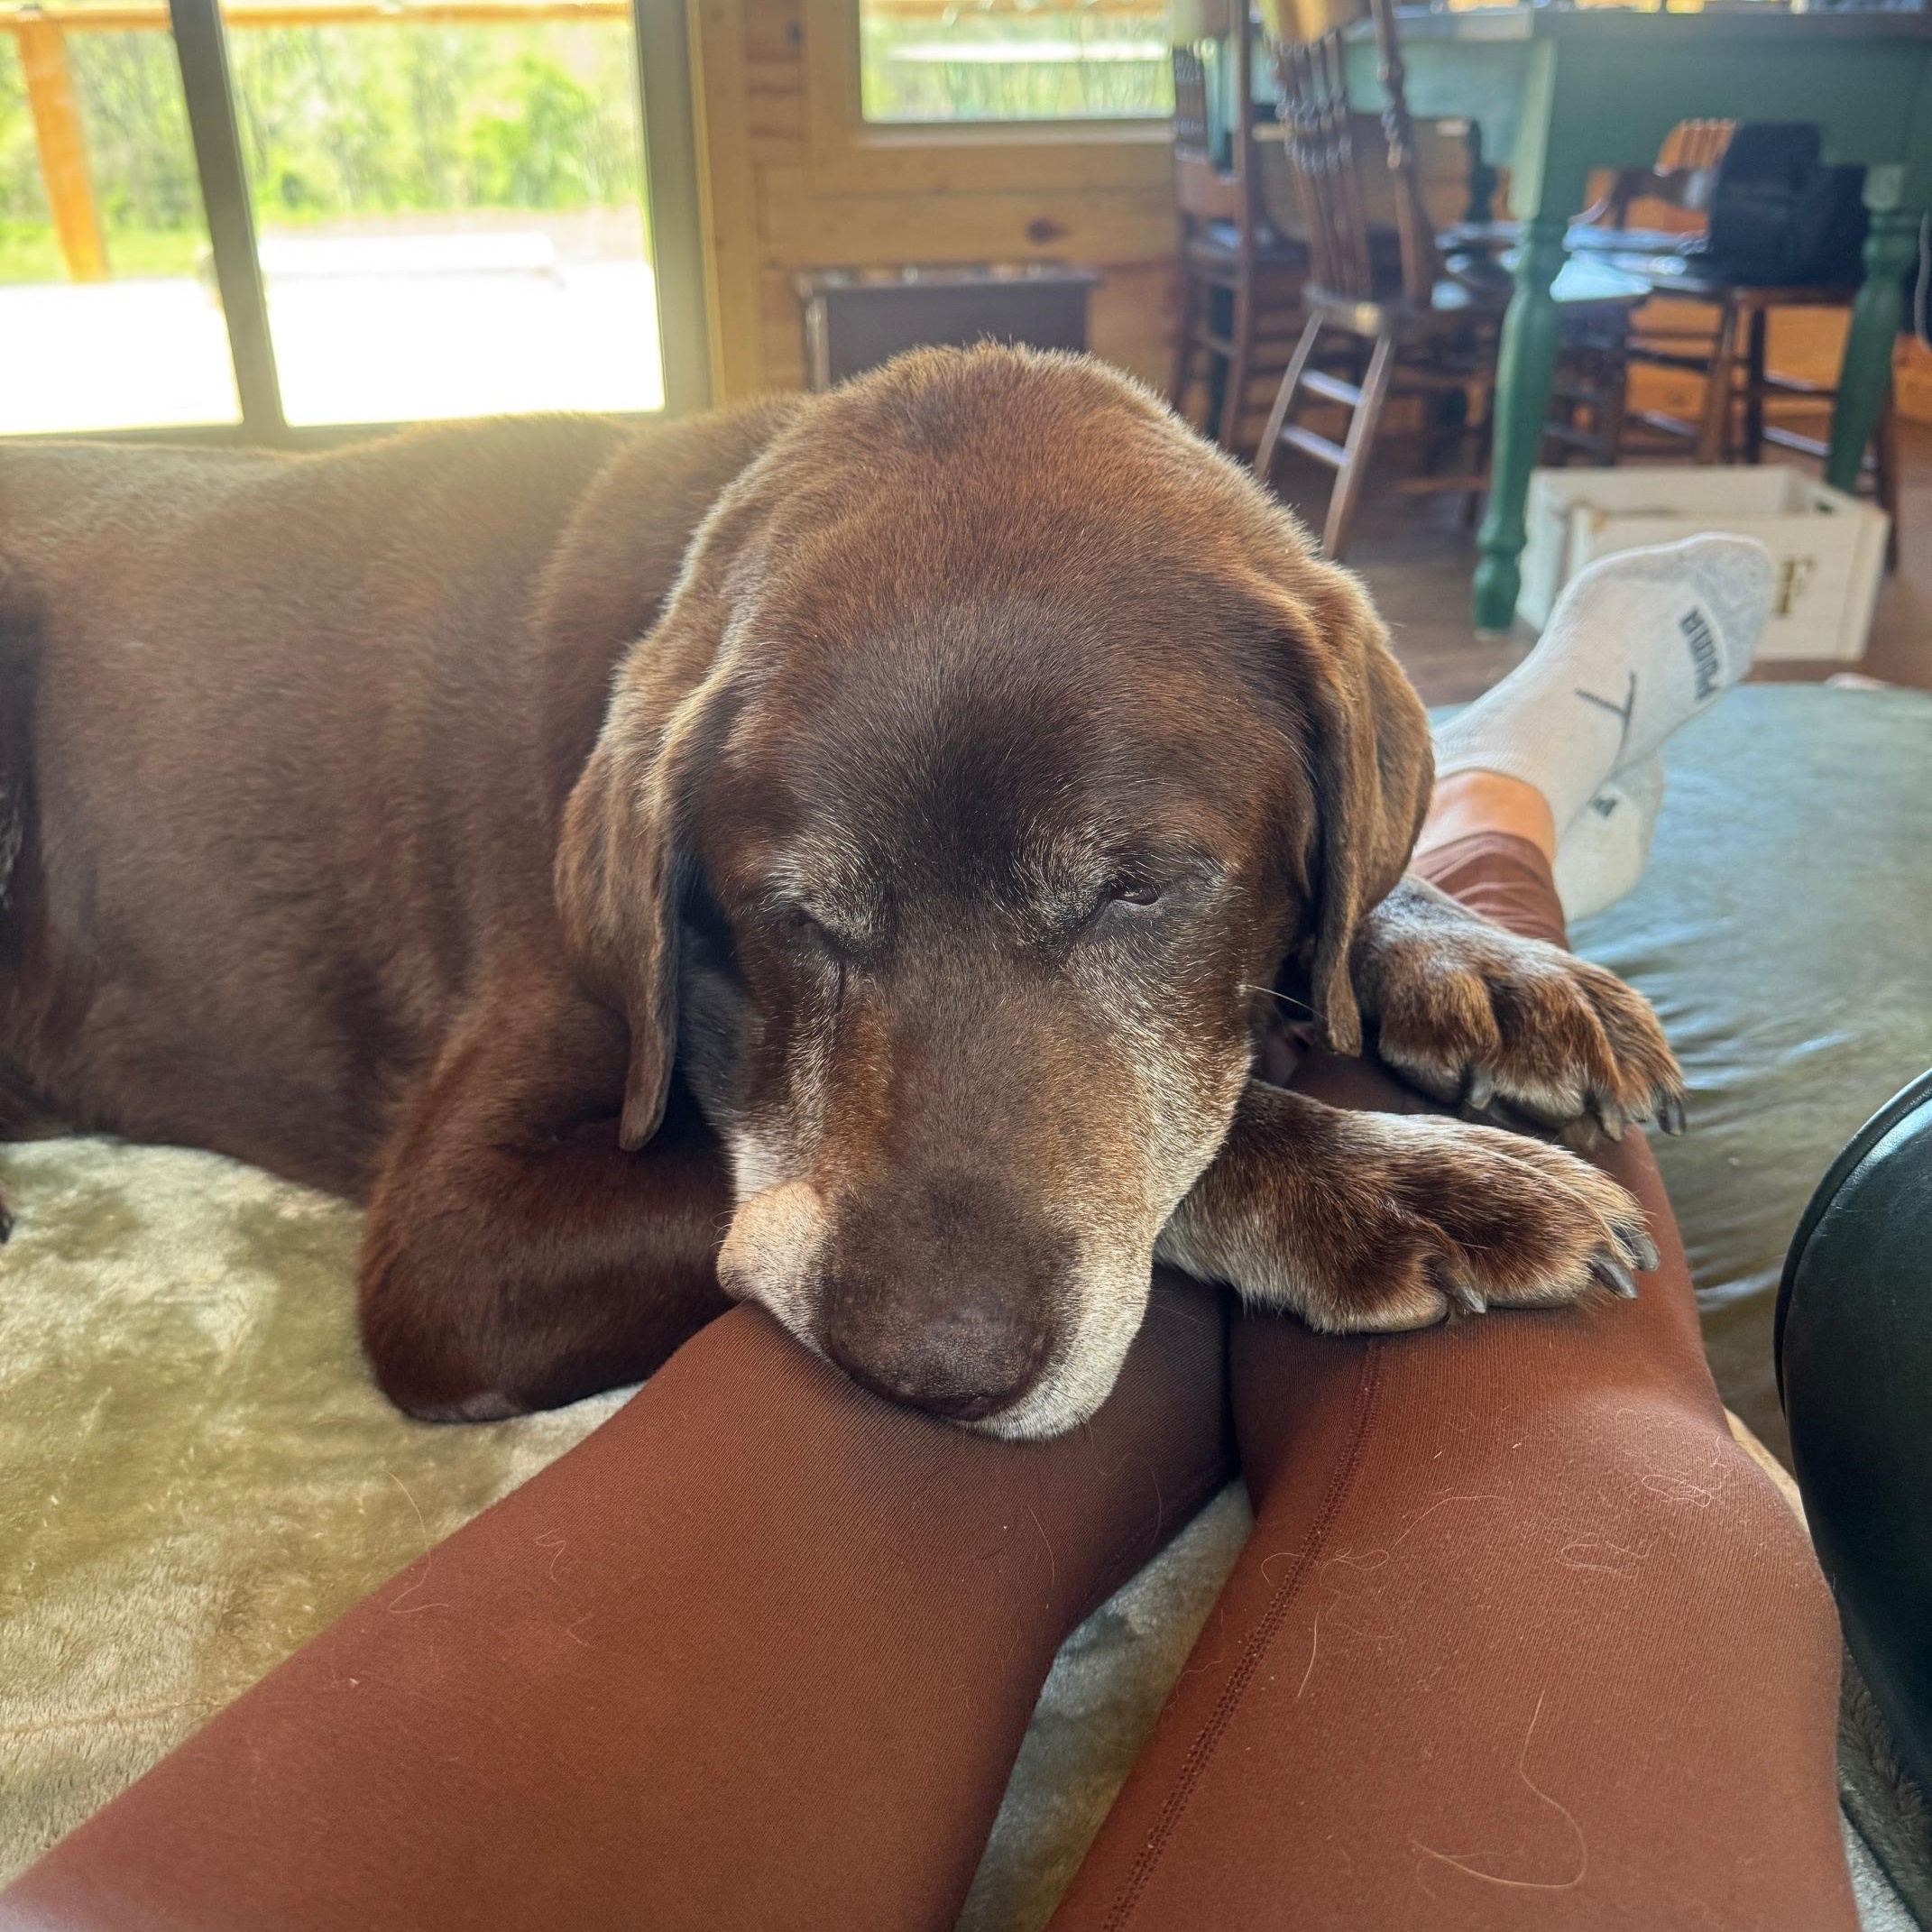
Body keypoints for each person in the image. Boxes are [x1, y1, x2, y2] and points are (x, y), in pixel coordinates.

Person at [0, 541, 1858, 1932]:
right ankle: (1490, 820)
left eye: (1138, 879)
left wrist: (1198, 1103)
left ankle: (1436, 853)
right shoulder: (697, 756)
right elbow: (462, 1279)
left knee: (1269, 1093)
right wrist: (1201, 1169)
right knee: (1481, 1346)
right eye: (810, 918)